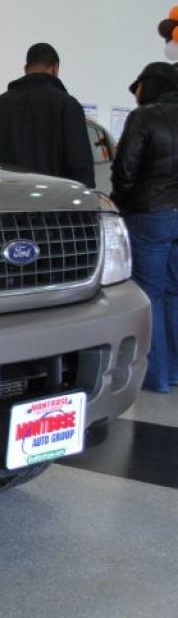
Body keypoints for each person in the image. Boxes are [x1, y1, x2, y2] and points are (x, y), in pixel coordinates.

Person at [110, 61, 178, 393]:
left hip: (150, 213)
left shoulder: (144, 117)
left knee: (148, 294)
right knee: (174, 291)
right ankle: (175, 371)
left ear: (150, 84)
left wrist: (119, 200)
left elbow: (125, 169)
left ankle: (155, 377)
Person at [0, 43, 94, 187]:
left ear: (26, 69)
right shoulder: (68, 107)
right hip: (52, 203)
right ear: (55, 68)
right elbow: (80, 168)